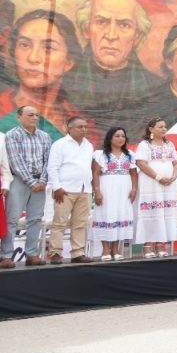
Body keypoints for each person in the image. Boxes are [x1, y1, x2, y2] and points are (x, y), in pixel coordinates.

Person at [65, 0, 162, 136]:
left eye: (124, 25)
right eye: (101, 22)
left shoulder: (157, 90)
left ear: (137, 35)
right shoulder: (63, 85)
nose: (111, 35)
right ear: (86, 29)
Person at [0, 10, 82, 138]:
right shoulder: (2, 109)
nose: (33, 58)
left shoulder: (80, 124)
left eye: (48, 48)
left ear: (69, 62)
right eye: (24, 45)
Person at [0, 106, 52, 268]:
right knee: (12, 219)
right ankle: (6, 255)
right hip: (19, 181)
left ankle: (31, 254)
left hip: (40, 183)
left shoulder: (44, 136)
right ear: (19, 117)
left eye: (37, 115)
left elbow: (48, 161)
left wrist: (42, 181)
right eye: (30, 115)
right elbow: (15, 161)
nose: (35, 118)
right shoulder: (12, 135)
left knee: (35, 219)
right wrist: (31, 182)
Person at [46, 115, 95, 264]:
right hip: (64, 190)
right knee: (59, 223)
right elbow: (52, 167)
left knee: (80, 223)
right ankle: (55, 253)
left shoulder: (89, 145)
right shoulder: (60, 144)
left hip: (85, 189)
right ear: (69, 128)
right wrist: (57, 187)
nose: (84, 129)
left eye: (85, 127)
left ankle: (77, 253)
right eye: (80, 127)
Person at [134, 118, 177, 258]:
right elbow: (141, 163)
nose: (164, 129)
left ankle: (161, 244)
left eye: (165, 127)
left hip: (169, 184)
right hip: (151, 182)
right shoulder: (144, 145)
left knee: (165, 212)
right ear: (151, 129)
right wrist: (158, 177)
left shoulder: (169, 144)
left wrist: (173, 176)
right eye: (160, 127)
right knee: (151, 212)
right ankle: (147, 245)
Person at [91, 126, 138, 261]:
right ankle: (105, 250)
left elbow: (134, 174)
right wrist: (97, 191)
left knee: (120, 214)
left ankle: (115, 250)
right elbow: (95, 173)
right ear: (110, 138)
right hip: (106, 188)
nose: (120, 139)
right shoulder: (100, 154)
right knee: (106, 215)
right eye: (117, 136)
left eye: (123, 136)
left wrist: (134, 189)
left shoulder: (129, 155)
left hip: (124, 190)